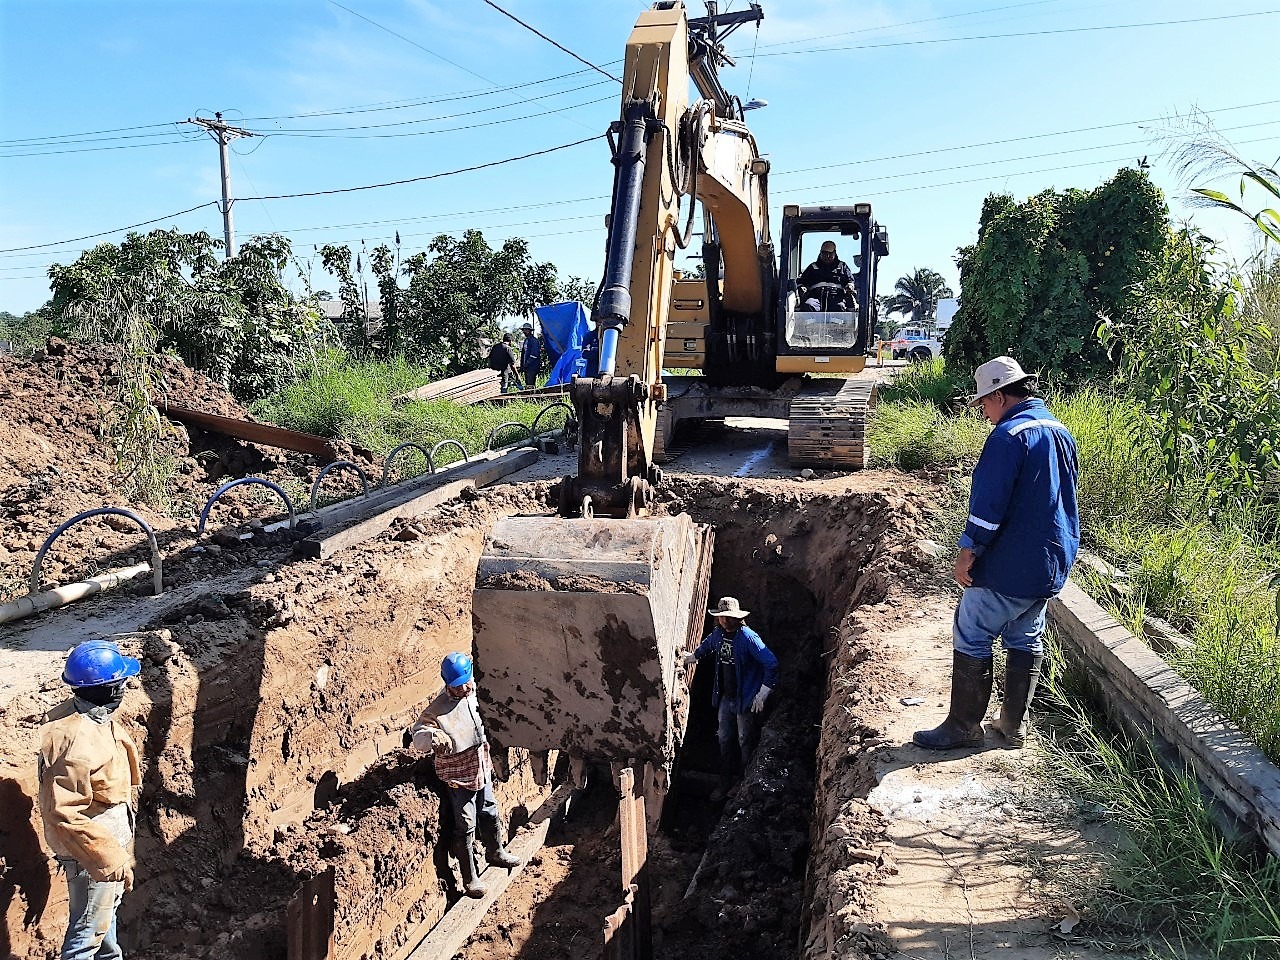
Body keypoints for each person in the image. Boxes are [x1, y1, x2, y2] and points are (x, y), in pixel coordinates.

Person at [913, 356, 1079, 751]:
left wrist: (968, 550)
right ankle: (1011, 727)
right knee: (1026, 635)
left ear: (1001, 396)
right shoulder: (1059, 430)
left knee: (972, 634)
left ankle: (963, 727)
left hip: (1009, 564)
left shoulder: (1008, 436)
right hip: (1049, 562)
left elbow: (989, 505)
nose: (985, 414)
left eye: (985, 404)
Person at [38, 638, 142, 960]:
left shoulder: (89, 715)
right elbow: (65, 813)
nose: (126, 687)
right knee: (87, 934)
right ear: (111, 691)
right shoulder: (78, 745)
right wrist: (110, 858)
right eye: (121, 682)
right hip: (92, 851)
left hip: (108, 837)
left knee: (105, 924)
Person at [405, 652, 521, 899]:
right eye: (458, 685)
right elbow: (419, 736)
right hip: (458, 776)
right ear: (448, 684)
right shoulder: (437, 710)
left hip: (481, 765)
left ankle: (496, 851)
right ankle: (469, 879)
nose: (465, 687)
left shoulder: (478, 691)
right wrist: (434, 737)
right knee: (466, 824)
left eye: (467, 681)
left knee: (489, 810)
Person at [683, 597, 779, 800]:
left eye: (729, 618)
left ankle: (743, 782)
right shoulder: (718, 634)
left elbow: (771, 663)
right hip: (726, 697)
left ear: (738, 618)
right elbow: (707, 646)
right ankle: (724, 780)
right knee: (724, 738)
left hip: (745, 698)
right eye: (722, 618)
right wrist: (691, 657)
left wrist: (763, 692)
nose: (725, 621)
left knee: (745, 739)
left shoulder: (748, 638)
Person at [797, 240, 858, 312]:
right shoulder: (813, 267)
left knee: (839, 306)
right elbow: (801, 282)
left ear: (834, 253)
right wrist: (802, 287)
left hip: (836, 296)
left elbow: (850, 281)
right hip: (815, 296)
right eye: (825, 253)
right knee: (808, 305)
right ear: (820, 253)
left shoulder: (842, 266)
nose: (828, 256)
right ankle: (810, 323)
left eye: (830, 253)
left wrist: (850, 286)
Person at [518, 322, 543, 389]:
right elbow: (523, 354)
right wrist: (522, 365)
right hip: (527, 366)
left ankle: (532, 396)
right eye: (524, 330)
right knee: (527, 383)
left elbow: (534, 354)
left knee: (530, 383)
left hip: (532, 366)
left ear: (530, 331)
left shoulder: (534, 341)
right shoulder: (526, 340)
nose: (524, 332)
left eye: (526, 330)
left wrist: (527, 363)